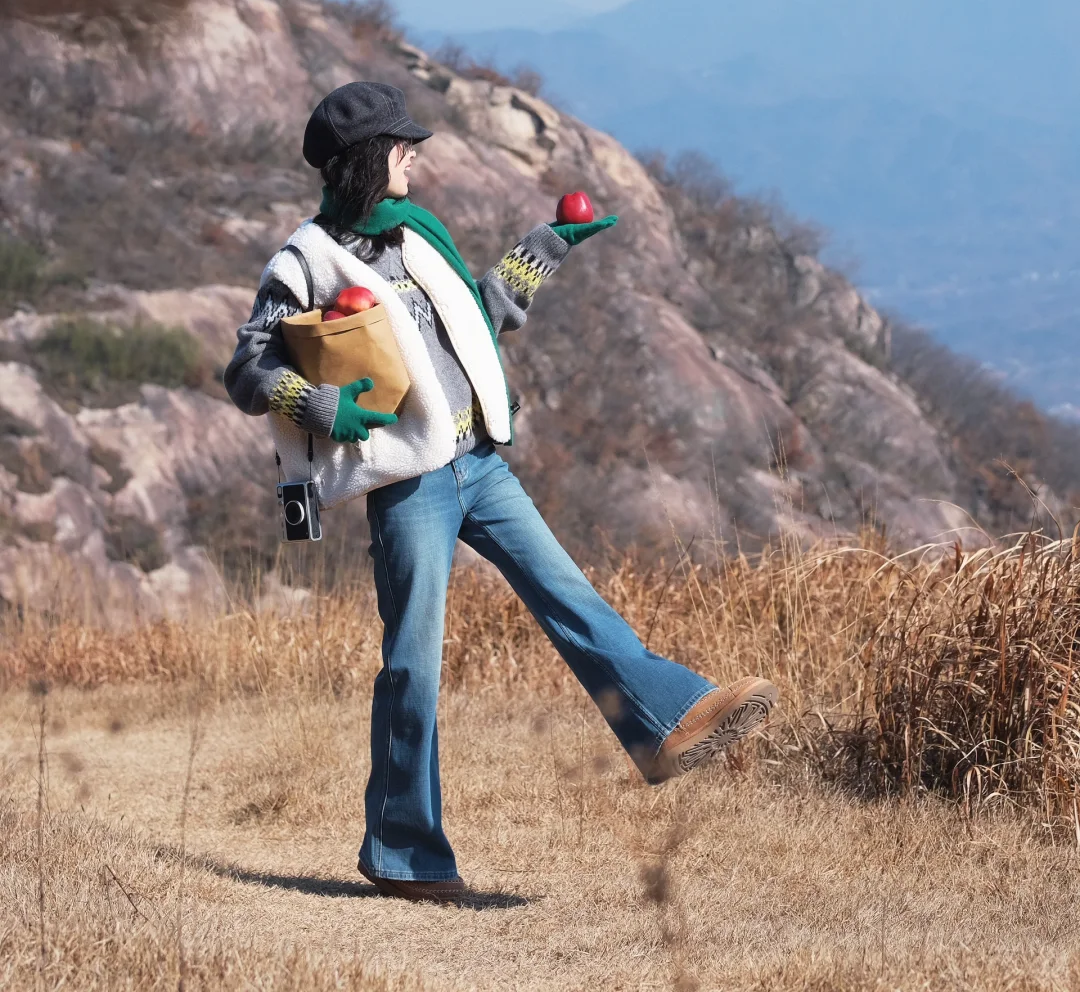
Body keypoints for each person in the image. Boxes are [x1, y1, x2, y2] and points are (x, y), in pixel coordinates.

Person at [225, 81, 777, 903]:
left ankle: (665, 726)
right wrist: (320, 405)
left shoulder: (416, 236)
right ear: (366, 160)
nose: (415, 154)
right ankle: (403, 854)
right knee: (412, 664)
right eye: (400, 145)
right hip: (408, 484)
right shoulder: (303, 260)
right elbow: (246, 367)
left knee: (572, 598)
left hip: (480, 463)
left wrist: (548, 243)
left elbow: (479, 317)